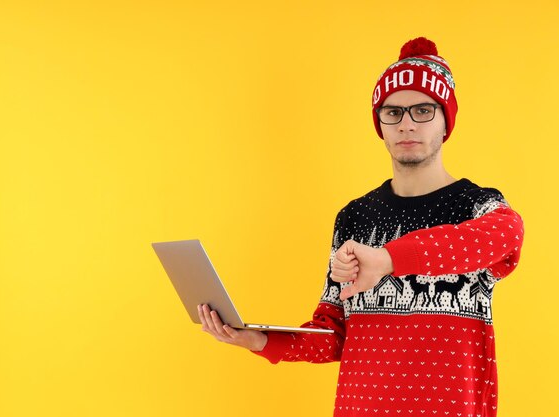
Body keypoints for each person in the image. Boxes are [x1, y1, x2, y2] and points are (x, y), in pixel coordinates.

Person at [197, 37, 524, 417]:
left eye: (422, 110)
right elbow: (333, 336)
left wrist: (388, 259)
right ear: (379, 123)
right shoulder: (354, 217)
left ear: (445, 119)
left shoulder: (480, 207)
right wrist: (258, 339)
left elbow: (507, 236)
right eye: (392, 112)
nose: (406, 124)